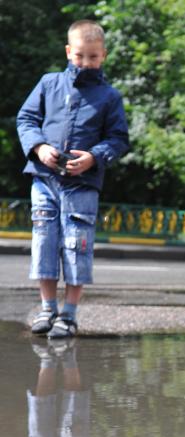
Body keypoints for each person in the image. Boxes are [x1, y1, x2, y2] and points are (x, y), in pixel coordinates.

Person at [17, 19, 129, 338]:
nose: (86, 62)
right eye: (80, 56)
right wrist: (39, 147)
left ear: (103, 55)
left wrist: (94, 157)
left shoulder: (109, 97)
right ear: (69, 51)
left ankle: (69, 314)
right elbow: (26, 119)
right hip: (44, 179)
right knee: (44, 242)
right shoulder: (49, 83)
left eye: (93, 57)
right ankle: (47, 308)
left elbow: (118, 138)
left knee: (77, 244)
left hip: (83, 184)